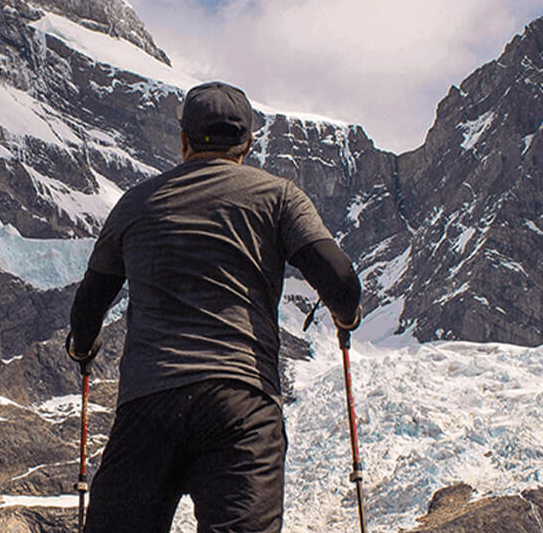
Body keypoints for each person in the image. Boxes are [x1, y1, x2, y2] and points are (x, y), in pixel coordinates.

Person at [66, 81, 363, 532]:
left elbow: (87, 310)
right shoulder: (279, 197)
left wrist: (84, 350)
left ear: (183, 140)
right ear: (247, 144)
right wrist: (346, 317)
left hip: (149, 406)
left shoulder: (135, 204)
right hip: (240, 404)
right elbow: (340, 282)